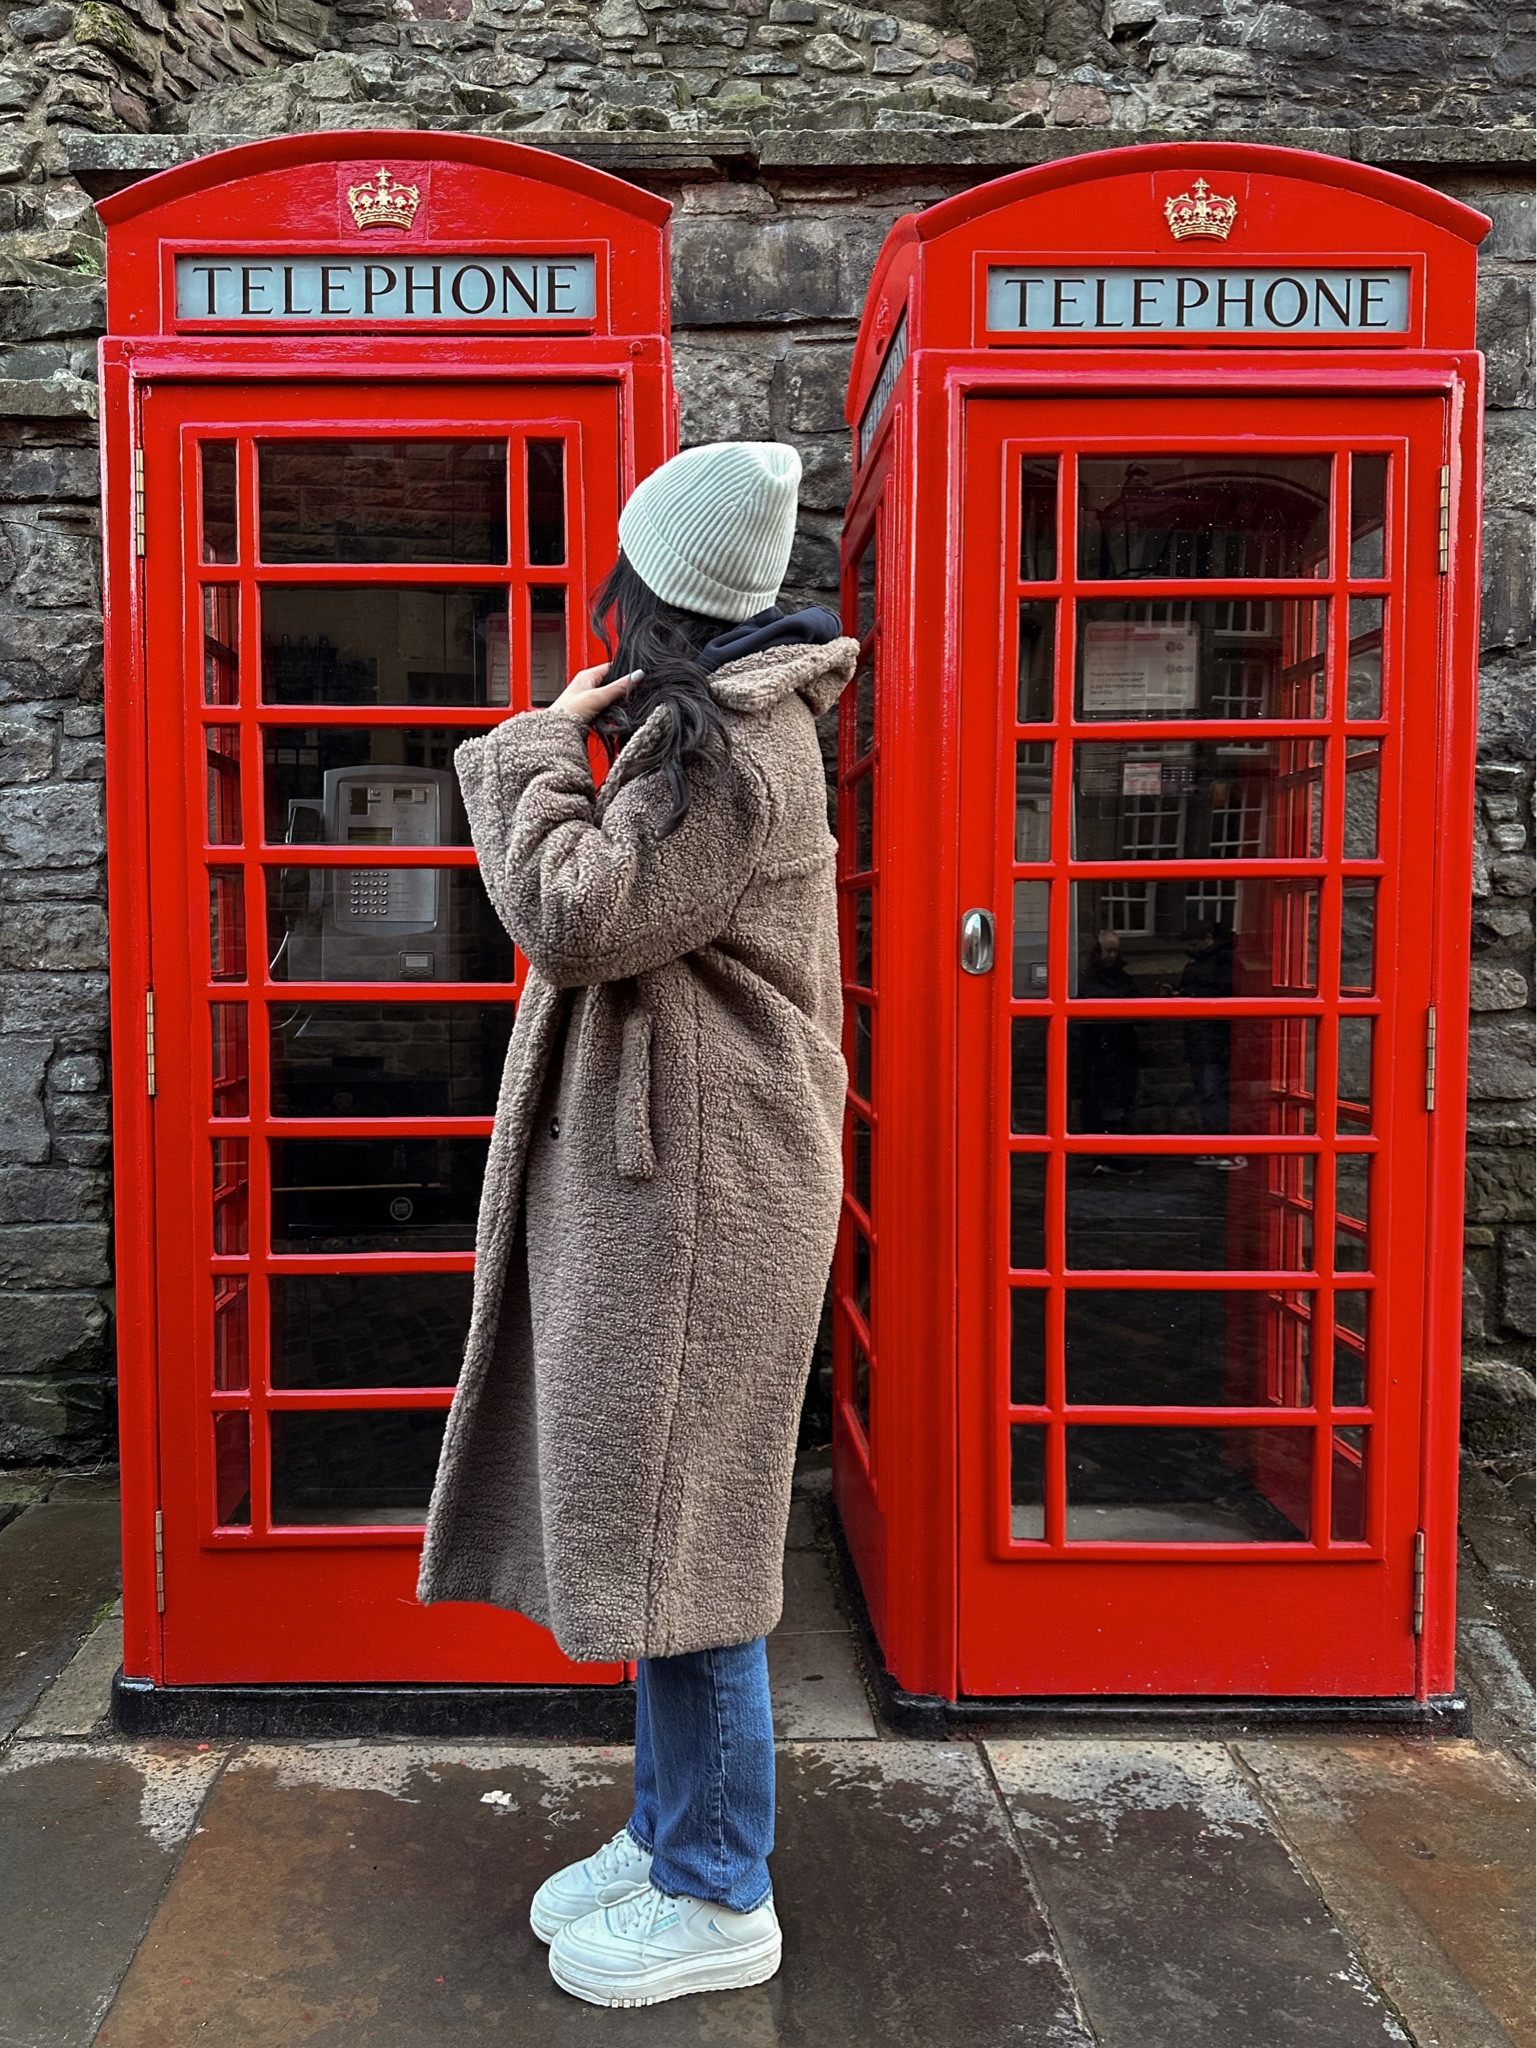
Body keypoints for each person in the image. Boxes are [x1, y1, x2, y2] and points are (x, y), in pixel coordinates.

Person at [415, 442, 858, 2009]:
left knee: (697, 1538)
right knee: (674, 1525)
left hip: (702, 1193)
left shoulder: (718, 752)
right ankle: (672, 1832)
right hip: (683, 1178)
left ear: (647, 581)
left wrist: (527, 749)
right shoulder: (714, 729)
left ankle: (720, 1888)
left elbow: (579, 915)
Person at [1164, 921, 1246, 1171]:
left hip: (1215, 1038)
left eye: (1195, 942)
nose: (1193, 947)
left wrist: (1189, 997)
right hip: (1197, 1038)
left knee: (1213, 1092)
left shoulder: (1224, 960)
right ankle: (1212, 1145)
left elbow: (1227, 995)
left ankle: (1222, 1147)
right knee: (1203, 1093)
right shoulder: (1195, 963)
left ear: (1208, 938)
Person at [1077, 930, 1144, 1174]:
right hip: (1096, 1055)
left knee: (1121, 1106)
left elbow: (1140, 1011)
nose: (1112, 956)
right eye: (1108, 950)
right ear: (1096, 951)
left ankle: (1112, 1155)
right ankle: (1102, 1156)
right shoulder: (1085, 980)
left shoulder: (1123, 979)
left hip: (1122, 1053)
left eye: (1116, 951)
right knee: (1101, 1106)